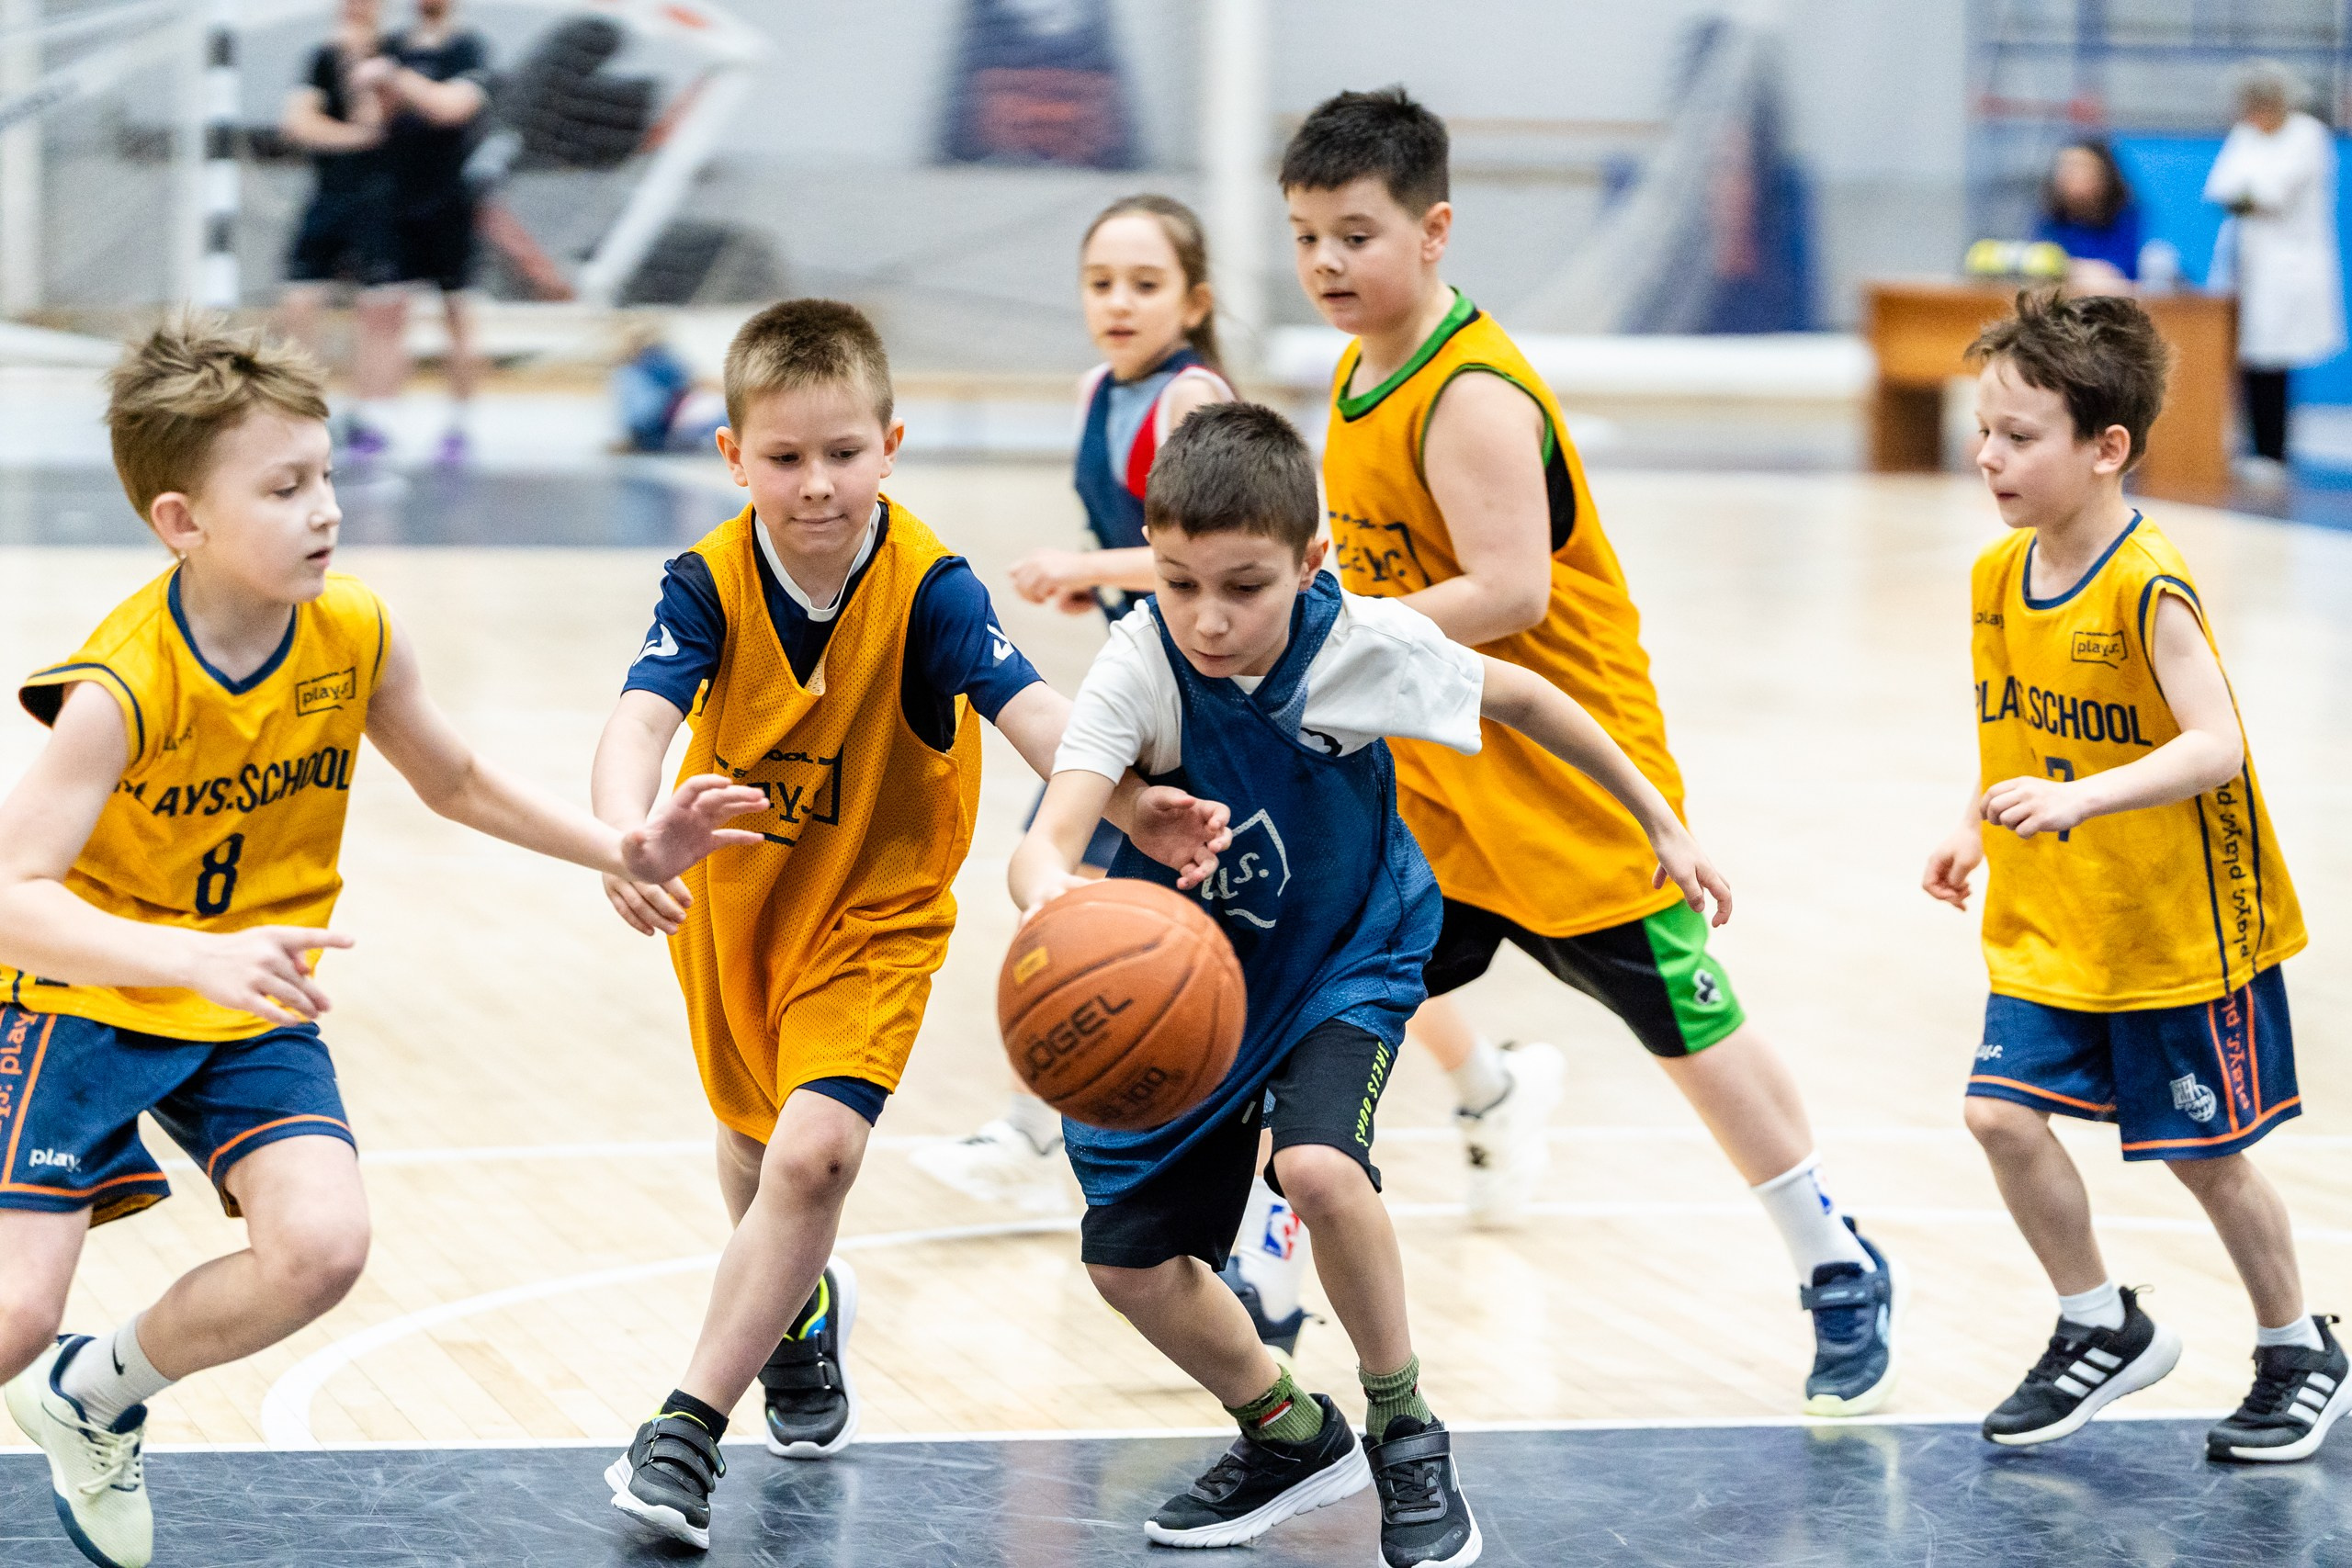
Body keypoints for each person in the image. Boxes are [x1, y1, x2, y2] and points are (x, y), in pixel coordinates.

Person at [0, 317, 763, 1568]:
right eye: (286, 487)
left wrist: (621, 848)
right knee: (14, 1307)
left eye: (328, 474)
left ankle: (93, 1392)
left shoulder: (351, 630)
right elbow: (8, 887)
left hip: (243, 995)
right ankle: (50, 1359)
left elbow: (455, 778)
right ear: (182, 521)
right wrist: (185, 955)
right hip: (82, 994)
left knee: (320, 1248)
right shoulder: (122, 686)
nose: (326, 508)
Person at [1012, 401, 1730, 1567]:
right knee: (1125, 1263)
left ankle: (1405, 1428)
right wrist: (1059, 898)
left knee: (1318, 1169)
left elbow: (1533, 701)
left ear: (1309, 564)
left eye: (1243, 586)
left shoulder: (1363, 647)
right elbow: (1042, 843)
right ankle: (1290, 1433)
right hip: (1202, 994)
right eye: (1180, 581)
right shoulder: (1139, 660)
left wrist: (1662, 823)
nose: (1207, 616)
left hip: (1351, 953)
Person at [1285, 86, 1904, 1415]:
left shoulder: (1472, 393)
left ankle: (1833, 1253)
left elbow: (1508, 593)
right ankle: (1268, 1265)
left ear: (1435, 229)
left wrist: (1339, 636)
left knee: (1690, 1027)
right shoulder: (1354, 372)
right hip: (1446, 796)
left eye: (1355, 235)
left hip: (1570, 781)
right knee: (1326, 1010)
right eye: (1307, 238)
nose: (1328, 265)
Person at [590, 299, 1227, 1552]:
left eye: (842, 452)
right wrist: (627, 829)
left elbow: (1033, 706)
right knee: (755, 1139)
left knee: (815, 1154)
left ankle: (682, 1427)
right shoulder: (709, 579)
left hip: (875, 918)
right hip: (735, 903)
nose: (816, 483)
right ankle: (798, 1319)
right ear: (733, 457)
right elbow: (640, 719)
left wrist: (1128, 802)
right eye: (784, 457)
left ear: (890, 443)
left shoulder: (927, 585)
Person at [1925, 288, 2345, 1461]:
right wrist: (1976, 817)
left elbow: (2215, 742)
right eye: (1985, 430)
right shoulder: (1997, 578)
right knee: (1997, 1118)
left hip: (2178, 927)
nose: (1988, 456)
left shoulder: (2148, 583)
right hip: (2058, 916)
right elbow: (2012, 724)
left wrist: (2080, 798)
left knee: (2205, 1157)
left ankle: (2296, 1344)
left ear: (2106, 448)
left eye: (2020, 436)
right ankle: (2097, 1323)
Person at [913, 194, 1292, 1306]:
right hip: (1142, 682)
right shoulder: (1093, 395)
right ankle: (1040, 1122)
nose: (1118, 303)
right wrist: (1092, 573)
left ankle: (1256, 1219)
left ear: (1195, 301)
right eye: (1100, 283)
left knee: (1273, 940)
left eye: (1144, 284)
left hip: (1218, 686)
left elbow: (1211, 545)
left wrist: (1087, 569)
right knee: (1082, 885)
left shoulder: (1193, 397)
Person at [2205, 61, 2345, 479]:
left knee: (2272, 361)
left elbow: (2269, 193)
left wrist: (2245, 194)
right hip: (2246, 263)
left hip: (2288, 266)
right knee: (2244, 357)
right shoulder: (2245, 135)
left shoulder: (2308, 135)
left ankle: (2273, 452)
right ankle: (2250, 447)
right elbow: (2220, 189)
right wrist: (2245, 194)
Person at [276, 0, 404, 454]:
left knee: (381, 310)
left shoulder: (394, 56)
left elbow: (379, 120)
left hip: (381, 201)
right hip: (329, 196)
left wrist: (359, 64)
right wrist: (353, 138)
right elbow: (299, 122)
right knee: (300, 302)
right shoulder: (319, 57)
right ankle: (300, 409)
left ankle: (373, 418)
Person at [379, 0, 492, 465]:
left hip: (450, 200)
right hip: (394, 198)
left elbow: (451, 108)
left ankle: (459, 427)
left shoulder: (469, 48)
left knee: (456, 312)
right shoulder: (389, 45)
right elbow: (374, 116)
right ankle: (379, 427)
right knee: (386, 312)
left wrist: (397, 79)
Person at [2033, 140, 2143, 285]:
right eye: (2064, 168)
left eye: (2080, 168)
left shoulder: (2127, 219)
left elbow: (2122, 274)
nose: (2069, 175)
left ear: (2104, 176)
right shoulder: (2050, 219)